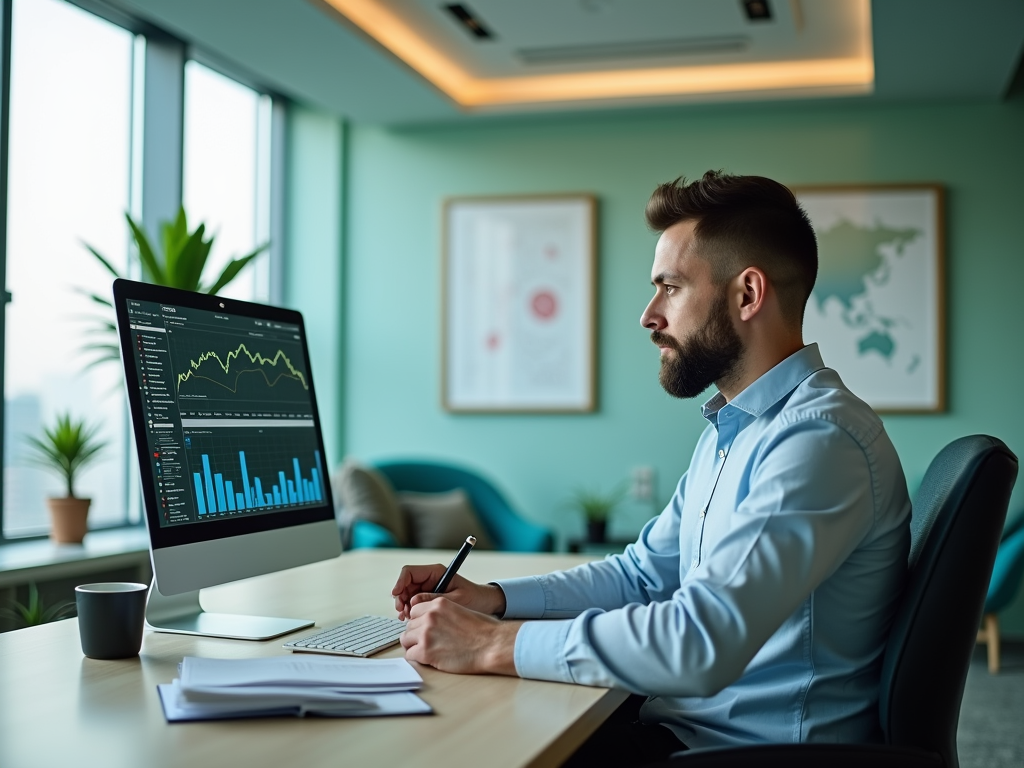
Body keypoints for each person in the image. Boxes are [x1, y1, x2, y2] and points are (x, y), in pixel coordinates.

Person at [392, 171, 911, 764]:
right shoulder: (735, 429)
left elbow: (699, 641)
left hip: (735, 751)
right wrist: (493, 600)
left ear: (747, 295)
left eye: (670, 287)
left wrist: (491, 646)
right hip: (683, 727)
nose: (648, 314)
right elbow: (638, 576)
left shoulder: (817, 441)